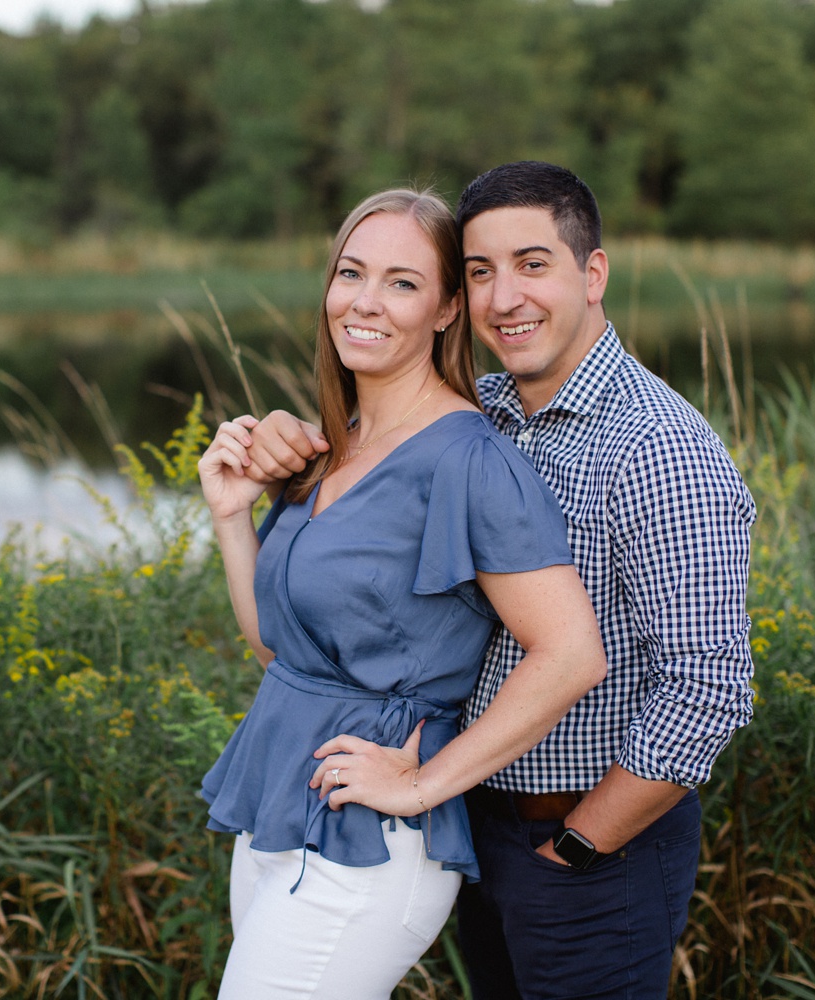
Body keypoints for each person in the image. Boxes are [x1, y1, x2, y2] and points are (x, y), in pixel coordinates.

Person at [240, 162, 757, 999]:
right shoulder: (486, 408)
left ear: (593, 273)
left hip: (590, 846)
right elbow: (380, 459)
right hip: (475, 826)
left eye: (533, 263)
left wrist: (583, 844)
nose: (504, 296)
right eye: (480, 271)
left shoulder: (661, 449)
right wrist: (288, 444)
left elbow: (708, 689)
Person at [196, 187, 608, 1000]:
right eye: (351, 274)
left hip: (375, 845)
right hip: (280, 807)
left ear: (449, 308)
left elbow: (571, 653)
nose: (365, 302)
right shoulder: (331, 448)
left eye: (402, 283)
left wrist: (421, 784)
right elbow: (280, 652)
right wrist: (231, 519)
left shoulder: (469, 460)